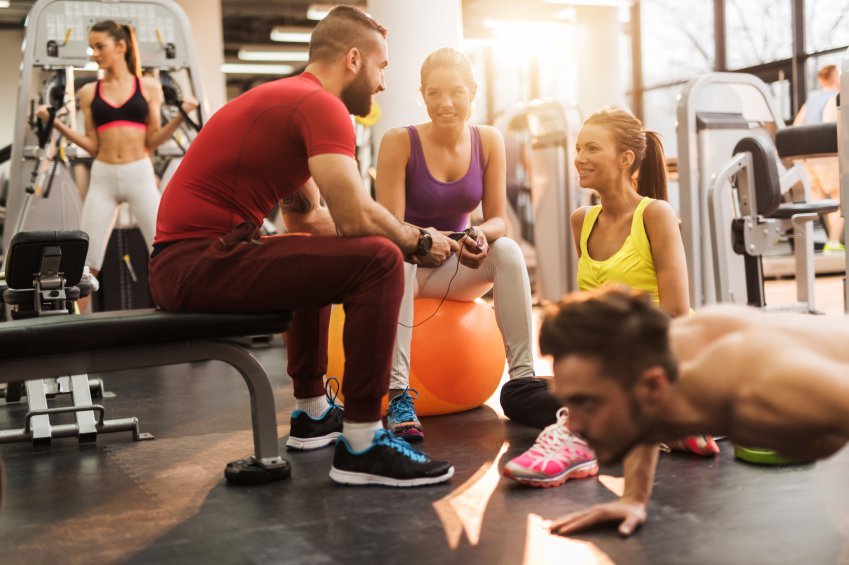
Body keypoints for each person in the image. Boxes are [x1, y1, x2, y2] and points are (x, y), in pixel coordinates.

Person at [149, 7, 457, 487]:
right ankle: (362, 442)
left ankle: (313, 413)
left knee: (314, 248)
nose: (383, 85)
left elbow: (309, 217)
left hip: (189, 263)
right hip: (199, 262)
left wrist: (417, 236)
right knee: (380, 260)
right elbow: (355, 216)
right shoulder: (321, 106)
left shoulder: (290, 99)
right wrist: (416, 241)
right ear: (353, 59)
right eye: (382, 68)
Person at [503, 107, 718, 492]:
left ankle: (584, 428)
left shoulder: (655, 214)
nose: (579, 158)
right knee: (516, 392)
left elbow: (674, 311)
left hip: (662, 355)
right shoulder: (581, 220)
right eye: (578, 147)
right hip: (609, 369)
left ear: (625, 159)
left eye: (592, 149)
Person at [540, 284, 849, 536]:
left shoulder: (761, 392)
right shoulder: (664, 353)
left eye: (587, 403)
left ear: (653, 387)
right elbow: (643, 413)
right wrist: (633, 497)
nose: (573, 424)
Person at [375, 47, 536, 441]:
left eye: (456, 92)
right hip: (410, 269)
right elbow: (389, 226)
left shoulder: (489, 140)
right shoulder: (399, 142)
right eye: (433, 93)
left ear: (473, 92)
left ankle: (524, 381)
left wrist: (480, 234)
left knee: (508, 250)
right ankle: (399, 395)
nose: (445, 103)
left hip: (457, 267)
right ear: (422, 95)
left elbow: (499, 219)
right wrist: (435, 239)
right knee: (397, 259)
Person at [36, 20, 198, 289]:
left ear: (121, 46)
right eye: (91, 48)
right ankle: (77, 327)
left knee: (164, 251)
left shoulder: (149, 87)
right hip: (104, 176)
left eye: (100, 46)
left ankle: (177, 315)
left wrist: (181, 116)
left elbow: (153, 140)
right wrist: (56, 123)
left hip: (140, 174)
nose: (95, 54)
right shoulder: (89, 92)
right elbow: (92, 145)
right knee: (86, 266)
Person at [793, 64, 841, 252]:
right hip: (828, 156)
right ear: (835, 78)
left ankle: (807, 246)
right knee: (839, 198)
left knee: (816, 201)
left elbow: (797, 125)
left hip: (808, 158)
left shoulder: (812, 99)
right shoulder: (834, 97)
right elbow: (831, 125)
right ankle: (834, 243)